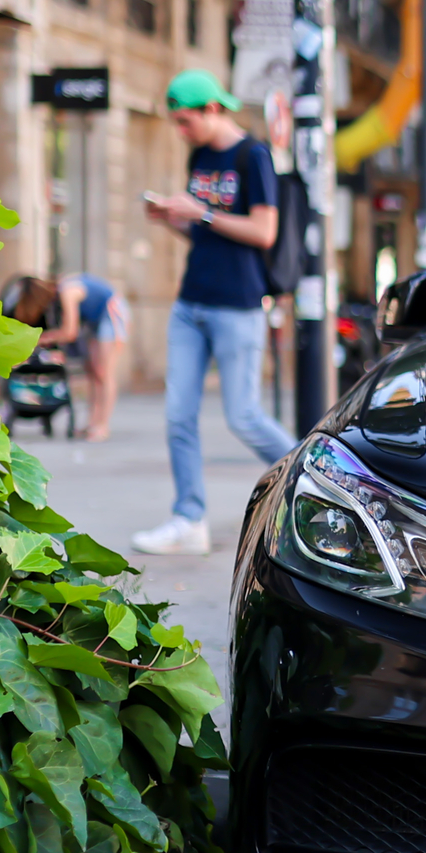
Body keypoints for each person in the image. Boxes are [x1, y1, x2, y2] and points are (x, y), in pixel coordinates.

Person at [132, 69, 297, 555]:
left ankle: (320, 489)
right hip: (191, 302)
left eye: (185, 122)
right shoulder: (200, 155)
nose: (181, 132)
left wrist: (200, 211)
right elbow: (208, 233)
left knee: (243, 416)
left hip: (237, 305)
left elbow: (264, 232)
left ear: (212, 109)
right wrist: (174, 219)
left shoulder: (254, 155)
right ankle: (189, 520)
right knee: (178, 414)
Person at [9, 273, 129, 441]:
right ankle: (92, 423)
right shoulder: (59, 293)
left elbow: (69, 332)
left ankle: (102, 425)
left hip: (111, 312)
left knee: (103, 372)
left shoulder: (68, 292)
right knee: (93, 371)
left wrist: (39, 339)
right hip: (94, 321)